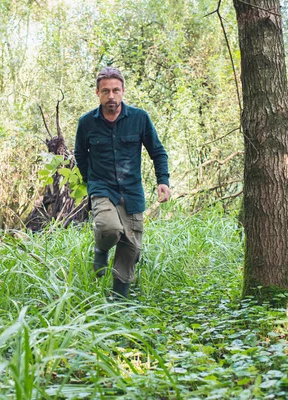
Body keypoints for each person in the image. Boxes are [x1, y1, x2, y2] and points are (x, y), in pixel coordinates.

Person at [74, 66, 171, 300]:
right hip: (102, 188)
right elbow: (80, 155)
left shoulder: (139, 118)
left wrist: (163, 181)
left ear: (123, 91)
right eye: (105, 91)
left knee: (131, 248)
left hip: (132, 192)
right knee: (110, 228)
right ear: (97, 93)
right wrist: (91, 181)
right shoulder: (86, 123)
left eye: (116, 90)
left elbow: (157, 151)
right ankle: (101, 248)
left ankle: (119, 302)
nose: (111, 96)